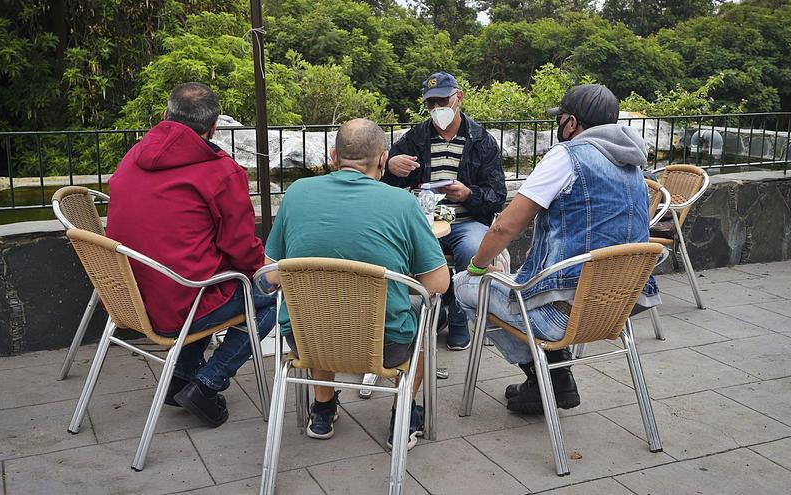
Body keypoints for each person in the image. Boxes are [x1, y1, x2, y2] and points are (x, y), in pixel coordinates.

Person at [454, 84, 660, 414]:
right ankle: (554, 374)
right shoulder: (634, 166)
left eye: (561, 118)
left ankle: (545, 375)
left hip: (561, 314)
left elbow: (505, 226)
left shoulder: (567, 156)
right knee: (518, 278)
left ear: (572, 123)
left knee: (465, 284)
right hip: (616, 309)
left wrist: (478, 266)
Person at [264, 118, 450, 449]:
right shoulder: (401, 203)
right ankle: (402, 414)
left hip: (305, 341)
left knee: (318, 307)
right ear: (383, 159)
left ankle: (322, 407)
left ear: (334, 156)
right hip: (385, 346)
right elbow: (437, 283)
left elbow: (272, 274)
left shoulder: (296, 194)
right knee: (425, 312)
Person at [106, 82, 276, 427]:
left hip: (126, 296)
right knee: (268, 301)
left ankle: (180, 375)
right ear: (213, 127)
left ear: (166, 115)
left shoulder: (132, 157)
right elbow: (243, 253)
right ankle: (207, 383)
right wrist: (266, 269)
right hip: (178, 307)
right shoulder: (221, 172)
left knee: (203, 282)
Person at [383, 71, 507, 351]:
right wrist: (390, 168)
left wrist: (468, 194)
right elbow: (383, 183)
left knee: (474, 249)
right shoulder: (414, 138)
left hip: (468, 221)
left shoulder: (481, 140)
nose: (437, 109)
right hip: (424, 222)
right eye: (431, 104)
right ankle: (419, 314)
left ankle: (459, 315)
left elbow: (497, 196)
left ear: (458, 98)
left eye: (442, 101)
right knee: (401, 250)